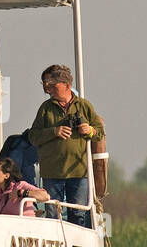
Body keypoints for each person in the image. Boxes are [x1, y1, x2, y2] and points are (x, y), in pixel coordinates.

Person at [27, 64, 103, 226]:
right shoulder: (45, 109)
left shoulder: (84, 106)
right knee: (53, 215)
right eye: (46, 85)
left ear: (67, 86)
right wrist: (54, 132)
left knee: (78, 215)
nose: (48, 89)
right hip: (52, 173)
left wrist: (89, 130)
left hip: (79, 172)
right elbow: (33, 137)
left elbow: (100, 132)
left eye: (53, 85)